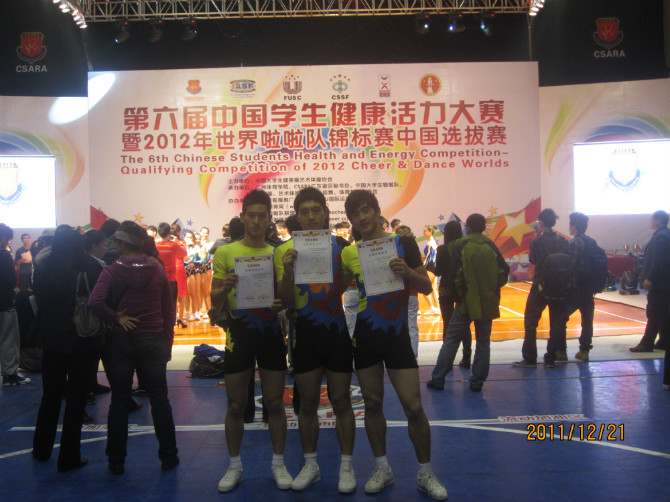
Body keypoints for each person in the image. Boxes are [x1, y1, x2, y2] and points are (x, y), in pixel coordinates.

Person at [341, 190, 447, 500]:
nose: (362, 217)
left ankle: (425, 472)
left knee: (413, 406)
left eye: (367, 210)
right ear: (351, 219)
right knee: (372, 405)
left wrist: (408, 272)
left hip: (397, 335)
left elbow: (426, 286)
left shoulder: (403, 243)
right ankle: (382, 468)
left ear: (377, 210)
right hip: (366, 336)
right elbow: (336, 289)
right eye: (356, 213)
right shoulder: (349, 253)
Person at [275, 187, 356, 493]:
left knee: (341, 401)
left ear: (325, 212)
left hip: (336, 332)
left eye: (316, 210)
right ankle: (311, 465)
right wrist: (288, 271)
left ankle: (346, 467)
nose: (310, 216)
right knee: (307, 404)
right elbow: (284, 300)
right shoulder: (285, 251)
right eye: (304, 212)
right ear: (297, 216)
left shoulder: (341, 247)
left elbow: (347, 285)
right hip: (305, 335)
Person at [211, 189, 293, 493]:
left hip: (271, 335)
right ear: (243, 217)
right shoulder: (225, 252)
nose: (256, 221)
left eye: (262, 216)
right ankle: (234, 466)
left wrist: (281, 301)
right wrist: (225, 288)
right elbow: (214, 299)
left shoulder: (277, 252)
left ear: (269, 218)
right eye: (251, 215)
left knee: (275, 404)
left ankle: (279, 464)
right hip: (239, 337)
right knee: (235, 404)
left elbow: (285, 297)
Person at [88, 221, 178, 475]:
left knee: (119, 400)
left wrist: (115, 317)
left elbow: (95, 301)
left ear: (122, 243)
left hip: (121, 341)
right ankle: (169, 455)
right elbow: (168, 310)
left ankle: (116, 460)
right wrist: (167, 342)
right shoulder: (157, 269)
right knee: (160, 400)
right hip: (153, 340)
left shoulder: (111, 270)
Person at [427, 213, 509, 392]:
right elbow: (504, 270)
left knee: (451, 340)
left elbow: (454, 274)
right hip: (487, 302)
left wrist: (460, 295)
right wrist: (492, 288)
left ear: (469, 227)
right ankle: (477, 382)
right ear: (484, 228)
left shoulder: (461, 245)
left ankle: (438, 378)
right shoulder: (490, 245)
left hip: (466, 302)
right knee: (483, 342)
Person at [31, 227, 91, 471]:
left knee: (50, 397)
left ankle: (41, 449)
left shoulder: (43, 268)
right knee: (76, 400)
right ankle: (69, 456)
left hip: (50, 339)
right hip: (78, 338)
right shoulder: (83, 267)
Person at [514, 208, 569, 368]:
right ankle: (551, 357)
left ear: (541, 223)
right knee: (557, 323)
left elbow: (533, 259)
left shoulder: (537, 241)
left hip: (540, 286)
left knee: (531, 322)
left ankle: (530, 358)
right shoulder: (563, 241)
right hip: (559, 286)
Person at [630, 210, 670, 352]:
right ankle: (664, 341)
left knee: (654, 312)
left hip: (659, 282)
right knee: (664, 312)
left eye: (652, 219)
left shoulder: (660, 237)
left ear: (658, 220)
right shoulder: (665, 234)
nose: (650, 221)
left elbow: (659, 260)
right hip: (664, 282)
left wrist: (649, 278)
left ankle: (646, 343)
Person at [435, 220, 471, 368]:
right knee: (464, 325)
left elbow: (438, 272)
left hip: (446, 289)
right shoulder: (465, 247)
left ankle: (447, 361)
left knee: (447, 324)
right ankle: (467, 357)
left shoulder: (442, 249)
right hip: (463, 289)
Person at [563, 212, 597, 362]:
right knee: (587, 321)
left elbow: (571, 267)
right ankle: (584, 351)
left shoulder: (574, 243)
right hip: (589, 288)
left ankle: (561, 351)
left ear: (574, 227)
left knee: (561, 317)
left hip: (575, 289)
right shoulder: (592, 242)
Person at [1, 223, 30, 386]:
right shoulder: (5, 256)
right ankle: (10, 375)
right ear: (4, 238)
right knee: (8, 340)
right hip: (5, 303)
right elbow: (11, 280)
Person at [155, 222, 187, 328]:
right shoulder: (173, 245)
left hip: (157, 279)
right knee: (171, 304)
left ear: (158, 232)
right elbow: (184, 253)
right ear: (169, 233)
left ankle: (159, 325)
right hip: (171, 279)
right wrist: (175, 242)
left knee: (158, 302)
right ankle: (170, 326)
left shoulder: (154, 245)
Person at [422, 225, 441, 316]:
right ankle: (437, 308)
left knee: (423, 287)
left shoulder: (431, 243)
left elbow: (430, 257)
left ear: (430, 232)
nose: (424, 232)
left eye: (425, 231)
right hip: (433, 266)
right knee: (433, 289)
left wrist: (423, 266)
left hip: (430, 267)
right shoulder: (431, 242)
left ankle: (431, 307)